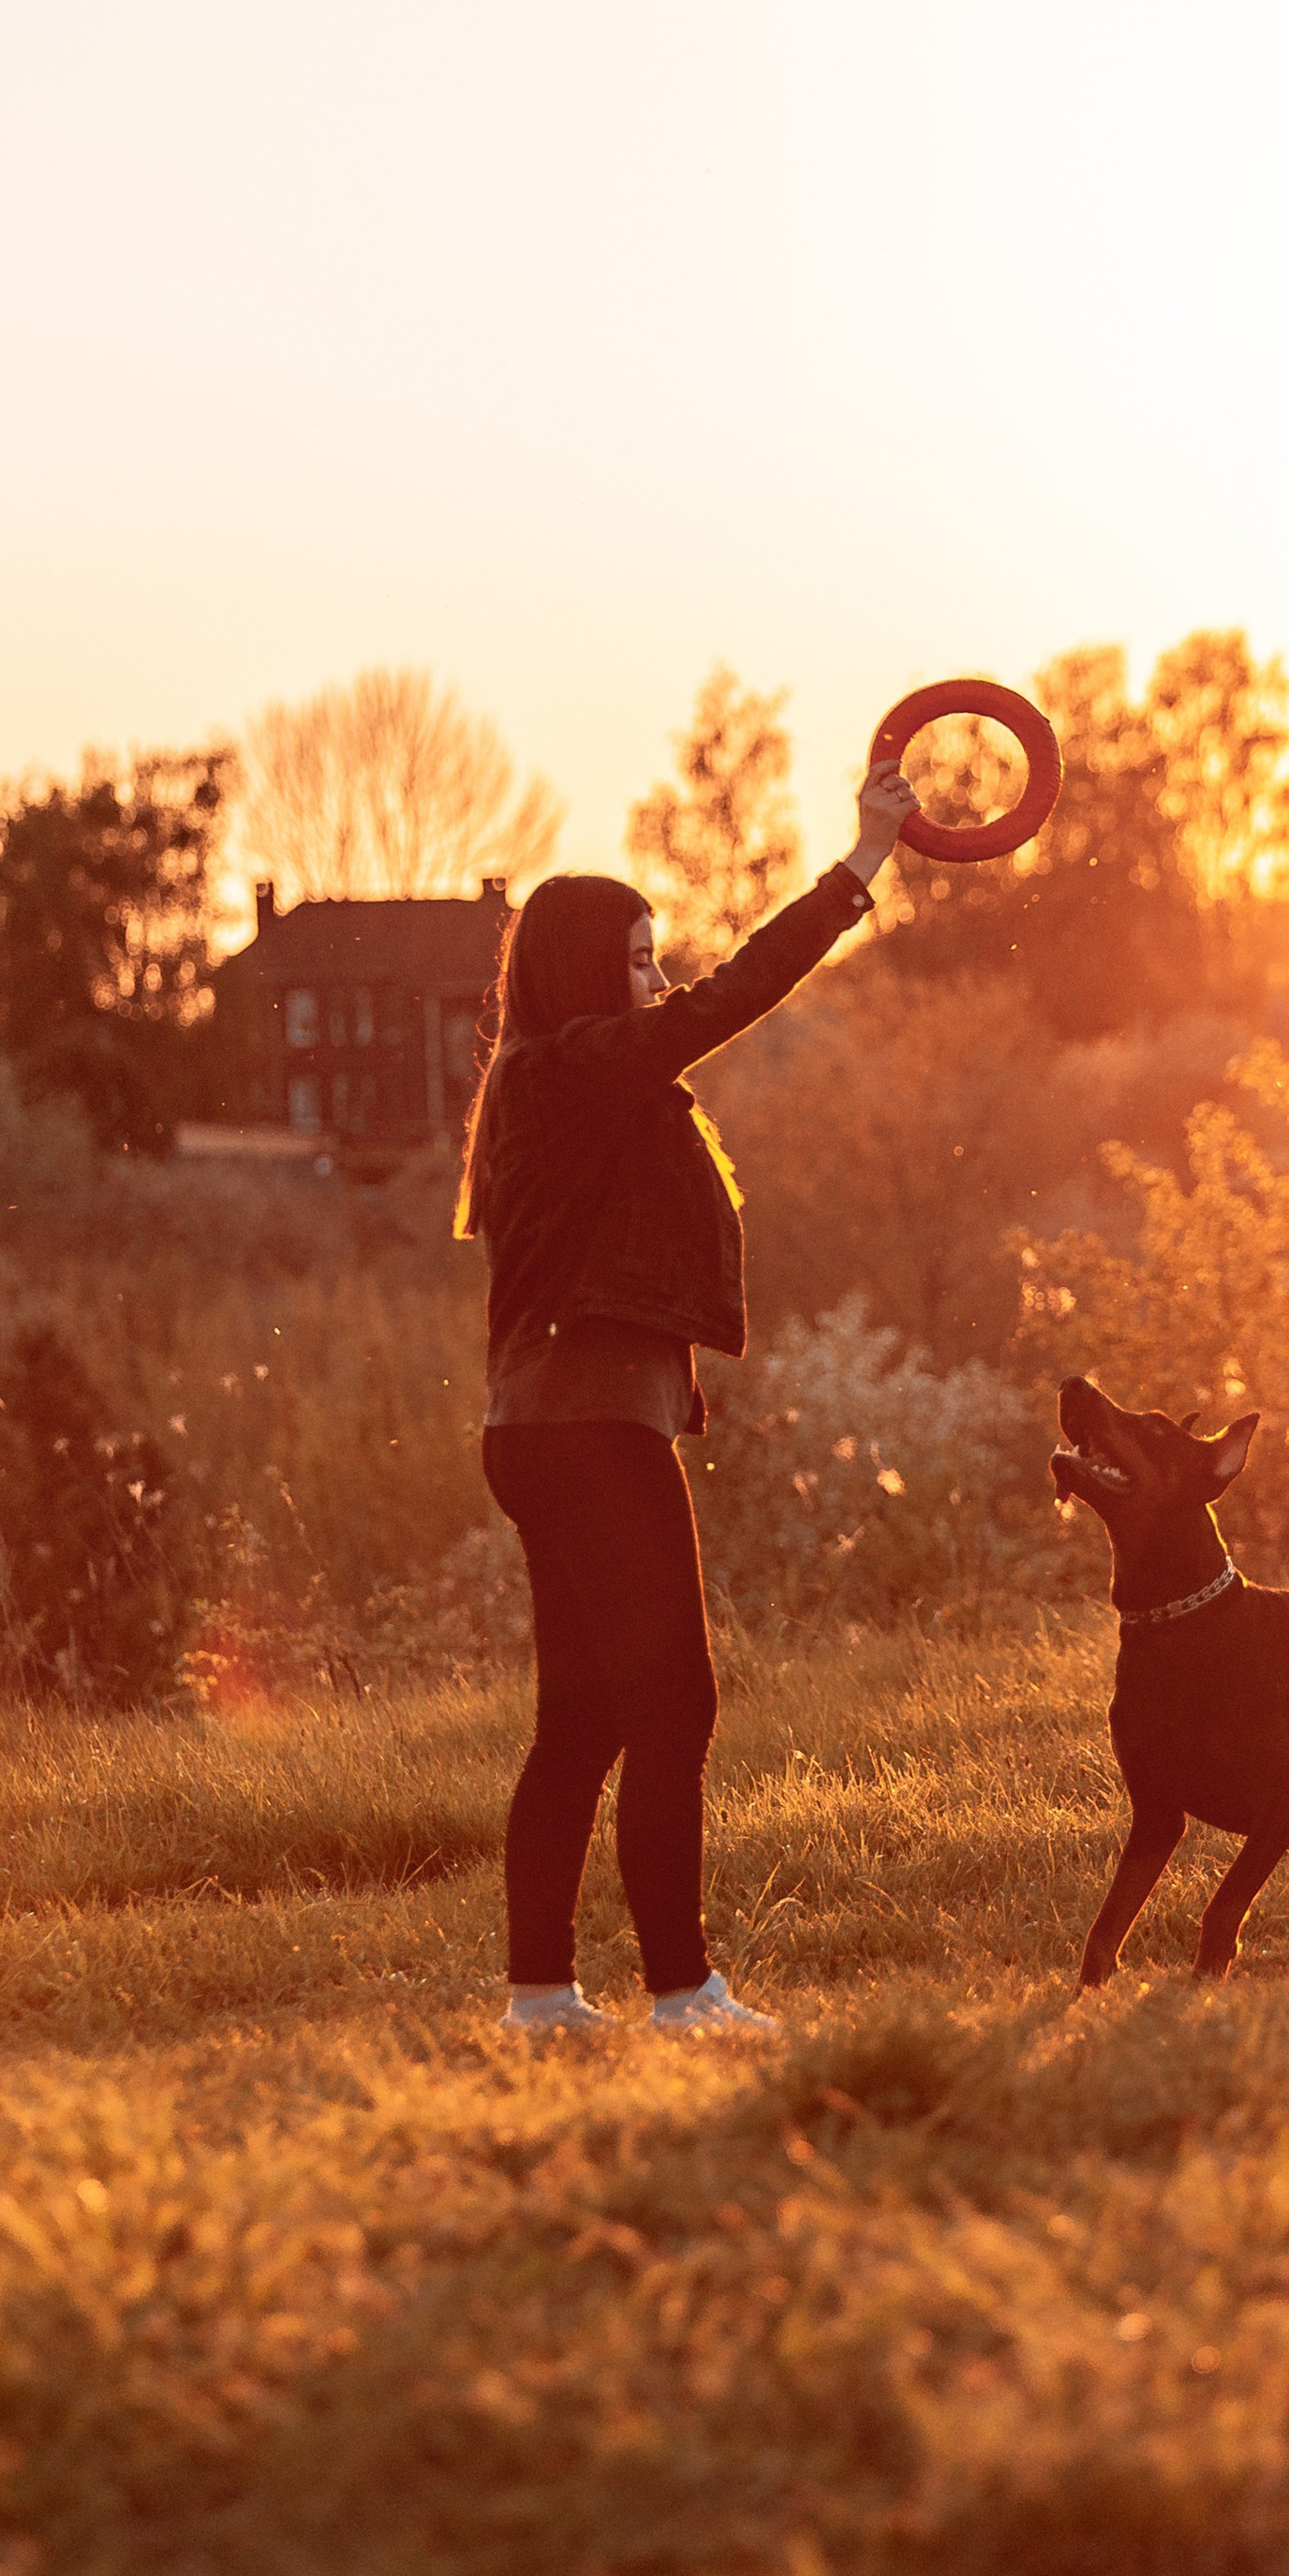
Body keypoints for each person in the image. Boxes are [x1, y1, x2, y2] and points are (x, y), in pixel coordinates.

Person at [453, 750, 921, 2036]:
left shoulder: (557, 1089)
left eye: (656, 962)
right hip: (589, 1427)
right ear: (583, 973)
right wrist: (862, 865)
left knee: (585, 1715)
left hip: (546, 1424)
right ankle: (682, 1990)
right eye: (640, 960)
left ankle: (541, 1995)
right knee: (676, 1699)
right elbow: (736, 996)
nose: (658, 983)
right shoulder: (573, 1072)